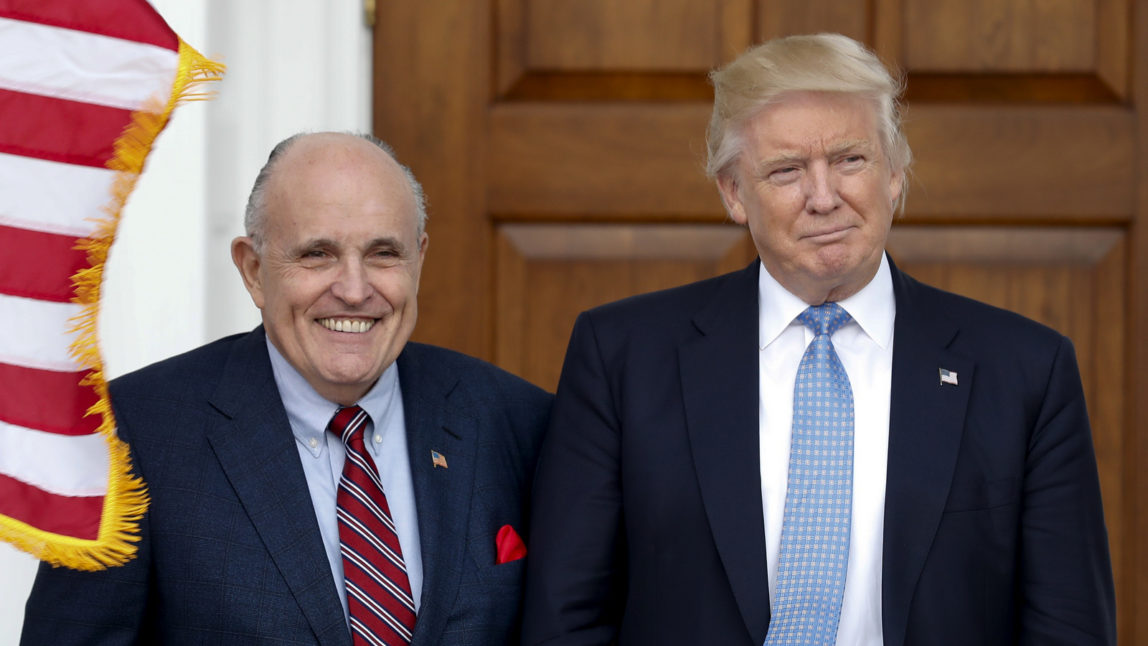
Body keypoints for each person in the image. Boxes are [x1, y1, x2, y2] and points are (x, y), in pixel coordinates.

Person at [521, 34, 1115, 645]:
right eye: (786, 171)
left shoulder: (1024, 370)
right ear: (733, 193)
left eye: (850, 160)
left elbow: (1068, 624)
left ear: (895, 174)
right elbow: (566, 616)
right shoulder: (621, 357)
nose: (824, 198)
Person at [22, 132, 551, 645]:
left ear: (419, 259)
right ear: (253, 270)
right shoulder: (133, 433)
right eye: (317, 254)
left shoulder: (518, 422)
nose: (354, 289)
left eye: (383, 253)